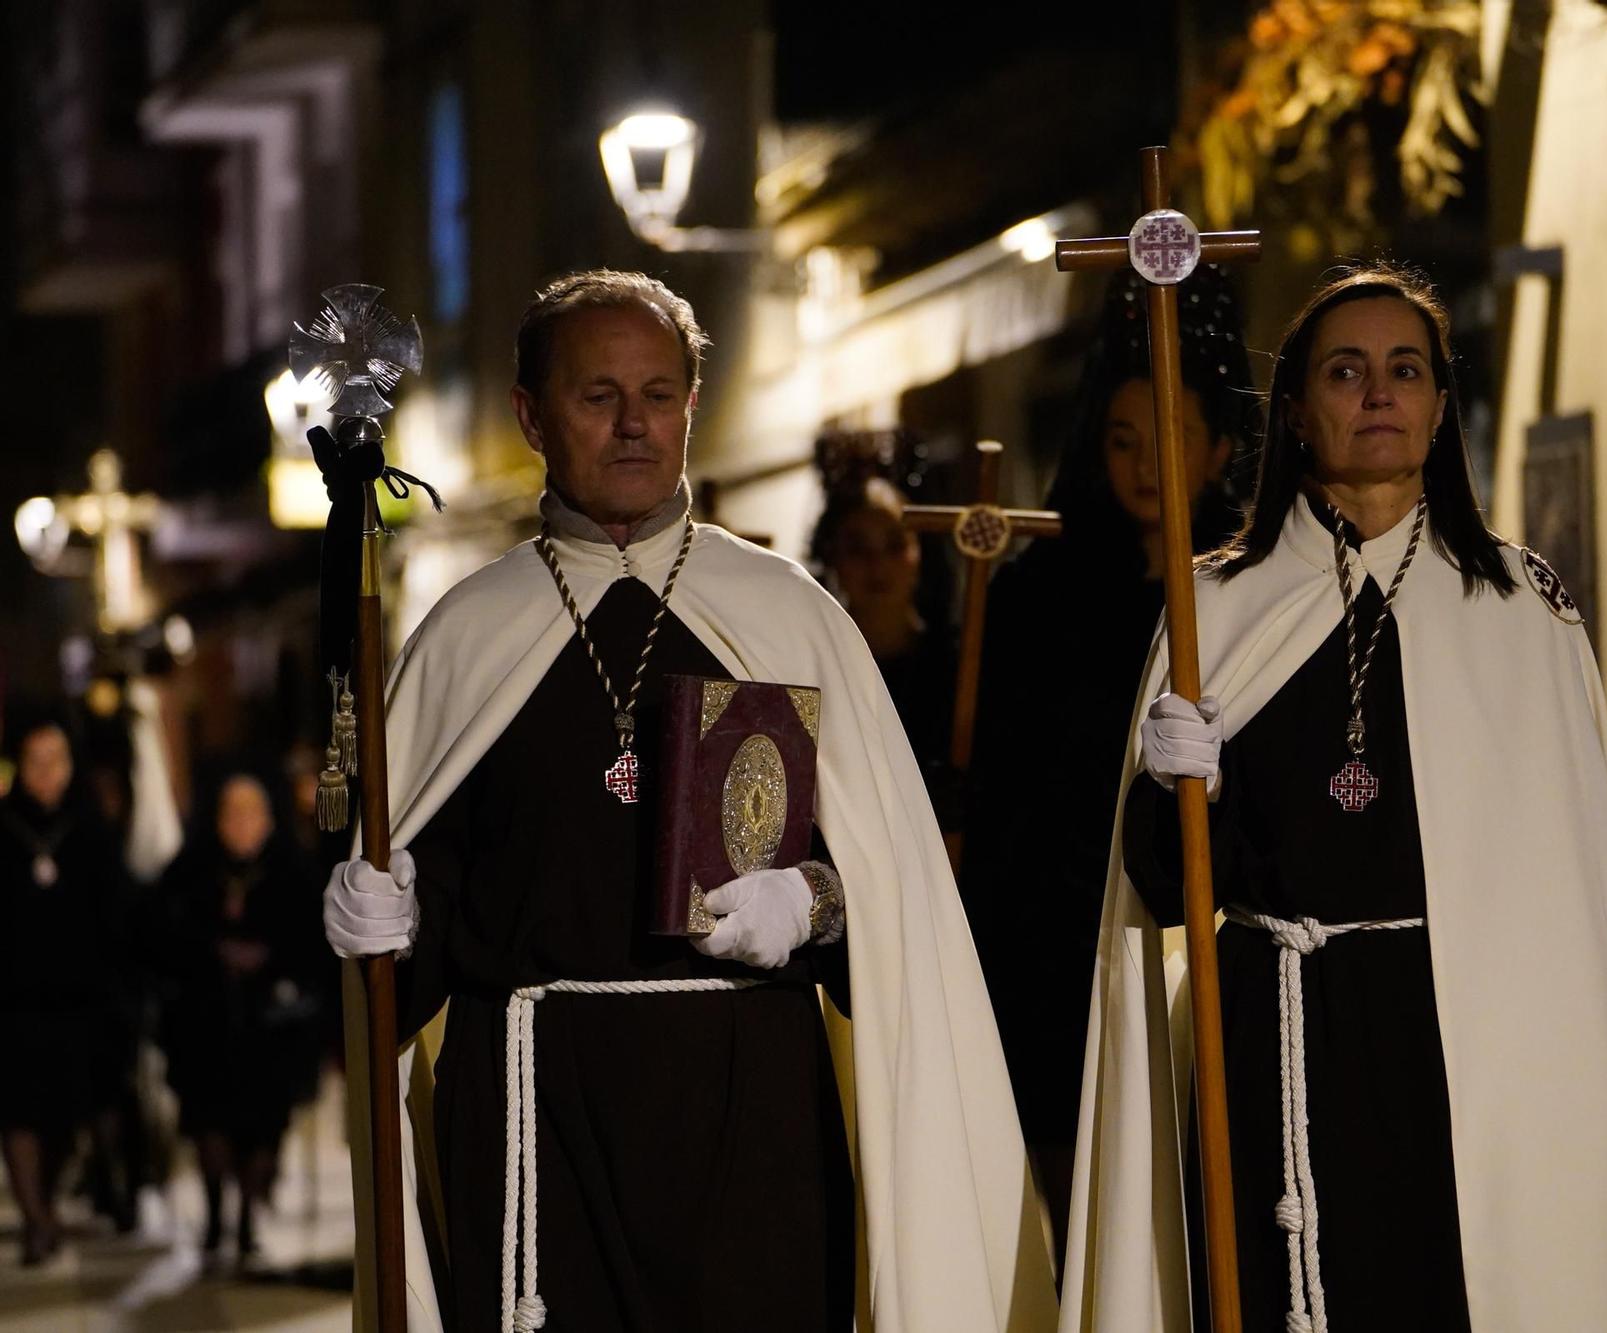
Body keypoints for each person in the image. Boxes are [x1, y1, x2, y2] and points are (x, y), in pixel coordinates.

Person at [319, 269, 1054, 1332]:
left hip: (746, 1119)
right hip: (536, 1125)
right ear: (531, 414)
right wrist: (384, 918)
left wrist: (812, 900)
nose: (633, 425)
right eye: (597, 395)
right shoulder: (462, 638)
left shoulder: (788, 615)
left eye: (659, 395)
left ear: (690, 409)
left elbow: (897, 906)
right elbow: (410, 955)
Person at [1061, 266, 1607, 1332]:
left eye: (1403, 369)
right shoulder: (1215, 604)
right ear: (1295, 407)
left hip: (1466, 1049)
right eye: (1345, 370)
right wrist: (1181, 782)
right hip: (1276, 1036)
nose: (1376, 393)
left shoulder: (1515, 606)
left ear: (1439, 405)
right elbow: (1164, 894)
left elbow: (1572, 896)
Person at [958, 264, 1251, 1245]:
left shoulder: (1249, 589)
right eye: (1121, 439)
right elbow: (1010, 774)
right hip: (1061, 936)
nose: (1142, 464)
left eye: (1167, 437)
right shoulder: (1043, 590)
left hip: (1201, 924)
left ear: (1215, 450)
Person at [157, 771, 324, 1262]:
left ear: (269, 820)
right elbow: (163, 932)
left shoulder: (294, 870)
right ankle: (214, 1217)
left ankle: (249, 1217)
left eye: (251, 813)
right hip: (205, 1021)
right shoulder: (190, 868)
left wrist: (267, 959)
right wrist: (214, 952)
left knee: (264, 1124)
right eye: (232, 813)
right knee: (209, 1121)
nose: (242, 824)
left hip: (271, 1025)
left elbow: (311, 943)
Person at [0, 717, 136, 1263]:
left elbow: (115, 913)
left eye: (56, 760)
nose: (47, 772)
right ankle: (35, 1219)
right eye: (36, 761)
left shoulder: (91, 828)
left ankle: (47, 1203)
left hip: (80, 998)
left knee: (61, 1114)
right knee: (16, 1111)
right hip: (13, 998)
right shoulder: (3, 826)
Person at [814, 477, 959, 817]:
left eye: (894, 545)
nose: (877, 565)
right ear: (833, 557)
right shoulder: (814, 665)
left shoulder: (956, 663)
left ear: (919, 552)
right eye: (857, 548)